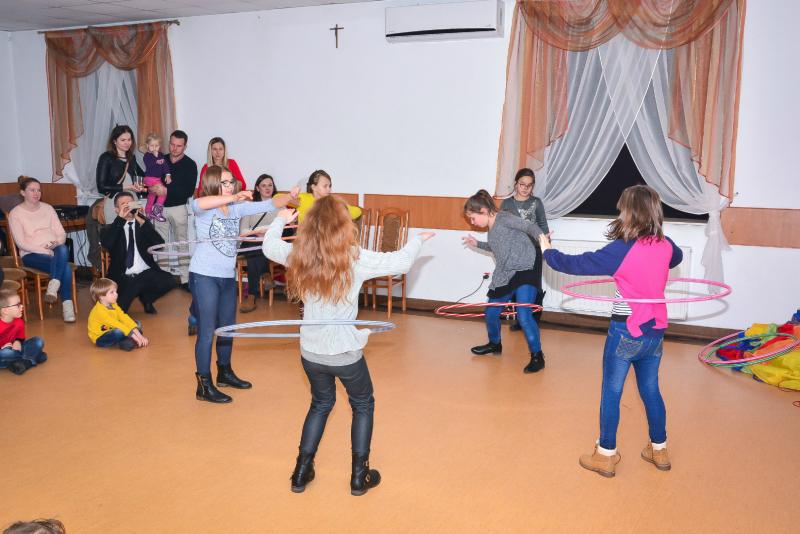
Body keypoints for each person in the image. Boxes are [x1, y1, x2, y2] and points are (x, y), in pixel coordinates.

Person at [262, 196, 434, 496]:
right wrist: (418, 240)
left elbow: (268, 246)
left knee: (320, 404)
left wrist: (280, 220)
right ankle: (359, 475)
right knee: (363, 404)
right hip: (343, 352)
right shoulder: (354, 257)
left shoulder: (299, 254)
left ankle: (301, 472)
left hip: (311, 351)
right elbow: (402, 262)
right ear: (344, 226)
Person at [540, 185, 683, 478]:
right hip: (655, 332)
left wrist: (547, 250)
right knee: (651, 389)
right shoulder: (666, 244)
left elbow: (574, 264)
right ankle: (660, 449)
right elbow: (676, 257)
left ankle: (605, 454)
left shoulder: (621, 250)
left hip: (625, 331)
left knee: (612, 391)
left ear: (629, 213)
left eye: (622, 209)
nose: (619, 213)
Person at [190, 165, 298, 403]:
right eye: (225, 182)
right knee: (207, 331)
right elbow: (198, 203)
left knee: (228, 327)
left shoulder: (236, 208)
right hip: (204, 275)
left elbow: (270, 204)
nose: (230, 186)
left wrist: (289, 197)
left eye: (231, 182)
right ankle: (203, 385)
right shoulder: (203, 208)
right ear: (212, 184)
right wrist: (234, 197)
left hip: (227, 277)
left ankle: (224, 372)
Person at [462, 189, 546, 373]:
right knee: (491, 312)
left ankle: (537, 356)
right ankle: (495, 344)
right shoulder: (491, 229)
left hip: (526, 267)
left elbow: (529, 226)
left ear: (483, 211)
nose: (472, 222)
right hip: (506, 271)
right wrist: (477, 244)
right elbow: (496, 247)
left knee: (523, 315)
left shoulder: (504, 218)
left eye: (473, 218)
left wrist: (543, 240)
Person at [8, 176, 76, 323]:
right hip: (31, 254)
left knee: (62, 248)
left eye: (38, 190)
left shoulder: (48, 208)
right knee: (65, 268)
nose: (36, 193)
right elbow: (21, 243)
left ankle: (54, 284)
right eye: (32, 190)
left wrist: (56, 243)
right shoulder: (15, 213)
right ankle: (67, 306)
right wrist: (44, 250)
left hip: (55, 251)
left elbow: (61, 234)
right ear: (22, 192)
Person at [100, 192, 176, 314]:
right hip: (123, 276)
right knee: (119, 311)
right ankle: (140, 294)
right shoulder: (110, 228)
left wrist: (143, 222)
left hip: (145, 273)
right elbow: (107, 244)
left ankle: (147, 299)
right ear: (117, 210)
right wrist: (120, 220)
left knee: (169, 280)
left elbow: (159, 245)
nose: (128, 207)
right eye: (123, 204)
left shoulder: (142, 225)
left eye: (130, 203)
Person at [500, 168, 549, 329]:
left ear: (533, 186)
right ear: (516, 184)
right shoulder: (507, 204)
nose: (525, 188)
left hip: (534, 250)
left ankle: (534, 320)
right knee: (516, 284)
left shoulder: (537, 202)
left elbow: (543, 225)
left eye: (529, 185)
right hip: (514, 251)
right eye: (522, 184)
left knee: (534, 284)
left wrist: (546, 245)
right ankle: (520, 320)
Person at [153, 130, 197, 291]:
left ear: (185, 146)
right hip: (159, 208)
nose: (174, 148)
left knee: (182, 244)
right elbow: (151, 181)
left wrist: (166, 190)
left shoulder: (190, 164)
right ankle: (163, 280)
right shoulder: (160, 160)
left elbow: (188, 191)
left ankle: (185, 280)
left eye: (179, 146)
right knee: (161, 245)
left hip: (179, 208)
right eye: (172, 144)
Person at [239, 174, 279, 313]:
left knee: (255, 253)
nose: (267, 188)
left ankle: (251, 296)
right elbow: (243, 231)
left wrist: (266, 234)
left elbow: (283, 230)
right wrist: (257, 233)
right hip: (251, 242)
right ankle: (266, 273)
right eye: (264, 185)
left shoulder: (279, 206)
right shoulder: (250, 206)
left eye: (270, 185)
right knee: (254, 249)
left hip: (269, 243)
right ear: (257, 188)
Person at [96, 125, 145, 227]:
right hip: (114, 203)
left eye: (129, 139)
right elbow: (101, 187)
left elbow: (142, 178)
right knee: (115, 234)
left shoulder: (131, 158)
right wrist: (127, 187)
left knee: (136, 233)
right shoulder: (106, 158)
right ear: (114, 141)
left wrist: (141, 187)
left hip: (133, 201)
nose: (127, 143)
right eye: (123, 140)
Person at [88, 278, 148, 351]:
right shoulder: (99, 311)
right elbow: (117, 324)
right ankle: (125, 341)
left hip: (113, 328)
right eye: (112, 292)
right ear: (101, 296)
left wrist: (140, 336)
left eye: (116, 291)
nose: (116, 294)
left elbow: (124, 317)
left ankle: (127, 340)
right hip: (101, 338)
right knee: (119, 332)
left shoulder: (113, 304)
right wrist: (136, 337)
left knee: (136, 323)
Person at [285, 170, 361, 223]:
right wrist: (291, 196)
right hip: (305, 239)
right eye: (325, 186)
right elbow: (279, 199)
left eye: (329, 186)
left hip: (326, 239)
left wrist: (338, 214)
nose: (329, 189)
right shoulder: (302, 198)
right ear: (313, 187)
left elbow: (357, 211)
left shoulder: (332, 201)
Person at [0, 289, 46, 375]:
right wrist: (1, 348)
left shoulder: (19, 322)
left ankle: (22, 362)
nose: (22, 306)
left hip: (16, 350)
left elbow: (21, 338)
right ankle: (31, 359)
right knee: (5, 353)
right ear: (5, 310)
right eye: (17, 305)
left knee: (38, 341)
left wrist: (17, 341)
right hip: (4, 352)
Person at [141, 133, 171, 222]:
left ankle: (148, 212)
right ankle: (157, 211)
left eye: (156, 146)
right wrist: (156, 157)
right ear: (147, 145)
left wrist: (168, 175)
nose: (154, 148)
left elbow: (165, 165)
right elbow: (150, 165)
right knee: (163, 193)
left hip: (157, 179)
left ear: (159, 146)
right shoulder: (147, 156)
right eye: (152, 146)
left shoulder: (161, 155)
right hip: (150, 178)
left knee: (152, 195)